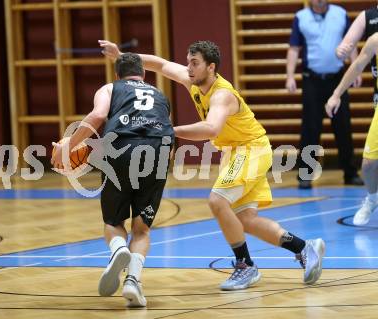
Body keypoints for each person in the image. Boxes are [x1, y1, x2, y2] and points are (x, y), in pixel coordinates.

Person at [99, 39, 325, 289]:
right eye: (188, 62)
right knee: (245, 219)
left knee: (217, 201)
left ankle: (245, 265)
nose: (189, 68)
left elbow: (211, 128)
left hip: (250, 149)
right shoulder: (192, 80)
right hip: (237, 151)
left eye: (194, 63)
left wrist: (168, 130)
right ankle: (305, 248)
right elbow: (162, 66)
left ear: (211, 67)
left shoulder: (222, 95)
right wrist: (123, 55)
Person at [51, 52, 175, 307]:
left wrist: (70, 145)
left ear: (117, 75)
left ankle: (118, 249)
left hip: (122, 148)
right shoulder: (160, 95)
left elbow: (97, 117)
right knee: (142, 229)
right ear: (143, 74)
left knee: (113, 221)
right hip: (159, 152)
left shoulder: (110, 88)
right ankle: (133, 281)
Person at [286, 0, 363, 189]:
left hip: (337, 80)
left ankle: (350, 173)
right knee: (310, 129)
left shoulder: (340, 13)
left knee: (343, 126)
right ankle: (305, 174)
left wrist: (357, 71)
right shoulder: (301, 18)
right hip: (311, 80)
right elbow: (294, 48)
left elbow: (351, 43)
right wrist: (289, 76)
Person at [327, 31, 378, 226]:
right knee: (368, 165)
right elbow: (357, 66)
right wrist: (336, 94)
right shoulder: (375, 40)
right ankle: (373, 199)